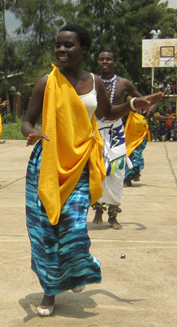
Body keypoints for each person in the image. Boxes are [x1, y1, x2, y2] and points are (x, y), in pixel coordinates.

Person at [21, 25, 162, 316]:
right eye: (58, 45)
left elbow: (108, 114)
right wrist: (33, 132)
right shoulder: (46, 82)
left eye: (69, 45)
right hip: (46, 163)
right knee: (45, 231)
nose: (61, 50)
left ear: (83, 50)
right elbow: (27, 121)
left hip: (81, 163)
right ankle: (49, 292)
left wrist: (135, 103)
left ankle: (76, 269)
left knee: (73, 228)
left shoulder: (95, 82)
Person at [92, 49, 150, 229]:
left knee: (116, 171)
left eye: (109, 59)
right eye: (101, 59)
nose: (105, 62)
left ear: (114, 63)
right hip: (95, 131)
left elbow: (144, 100)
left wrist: (149, 107)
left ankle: (113, 214)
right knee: (97, 170)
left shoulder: (124, 84)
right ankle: (98, 209)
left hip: (116, 132)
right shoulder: (90, 82)